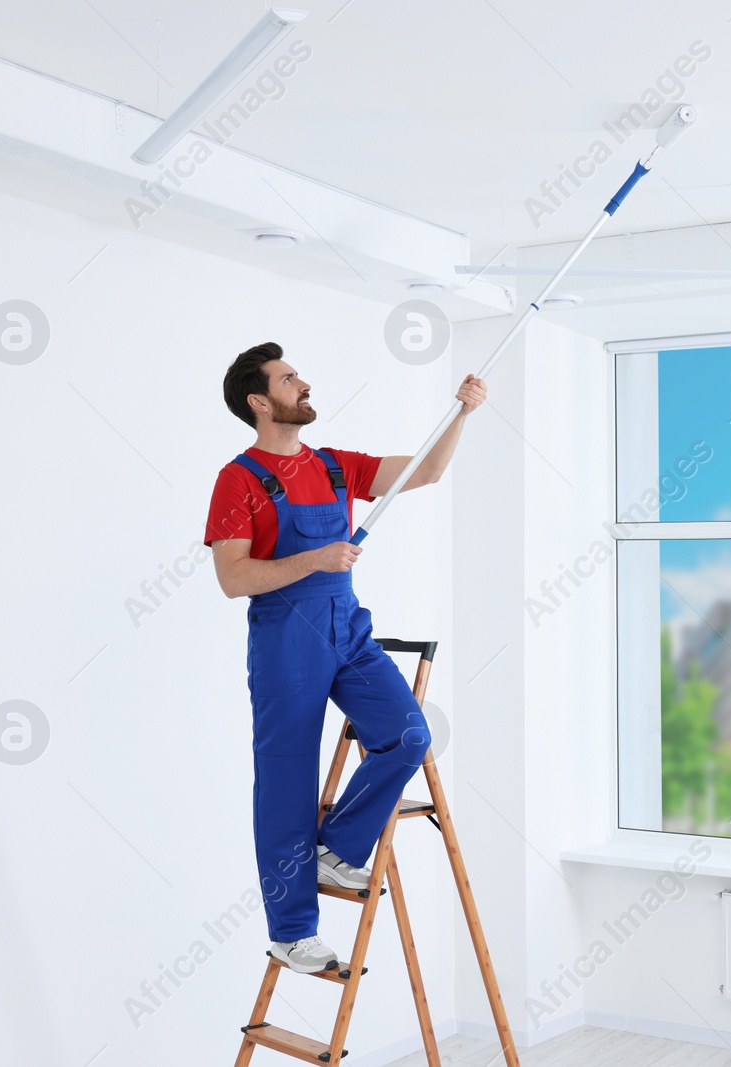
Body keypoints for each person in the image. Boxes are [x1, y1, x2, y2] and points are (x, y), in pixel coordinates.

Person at [204, 341, 485, 973]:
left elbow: (425, 472)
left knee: (408, 734)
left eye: (299, 374)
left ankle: (339, 848)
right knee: (286, 783)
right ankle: (292, 930)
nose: (303, 384)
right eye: (288, 378)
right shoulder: (238, 479)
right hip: (285, 638)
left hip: (347, 628)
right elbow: (232, 577)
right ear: (259, 401)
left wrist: (460, 414)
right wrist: (314, 559)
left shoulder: (334, 465)